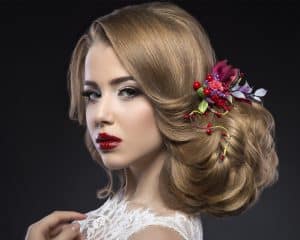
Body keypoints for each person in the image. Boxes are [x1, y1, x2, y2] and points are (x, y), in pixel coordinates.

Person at [25, 1, 279, 240]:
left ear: (173, 97)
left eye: (128, 91)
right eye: (93, 94)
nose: (100, 115)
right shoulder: (127, 210)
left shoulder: (155, 234)